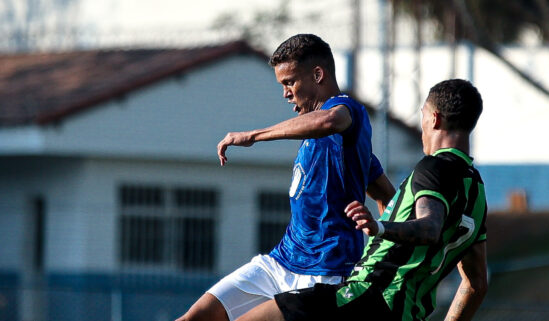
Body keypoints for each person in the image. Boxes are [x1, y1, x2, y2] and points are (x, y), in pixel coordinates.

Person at [175, 34, 395, 321]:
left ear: (318, 75)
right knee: (194, 318)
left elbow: (329, 121)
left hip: (324, 272)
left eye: (289, 82)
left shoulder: (347, 112)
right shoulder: (342, 147)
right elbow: (386, 195)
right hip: (280, 261)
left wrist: (252, 136)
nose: (285, 93)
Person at [236, 78, 488, 321]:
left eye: (422, 114)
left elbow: (430, 227)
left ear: (434, 118)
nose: (422, 123)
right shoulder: (476, 192)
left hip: (369, 296)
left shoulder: (433, 168)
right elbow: (475, 283)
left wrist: (378, 227)